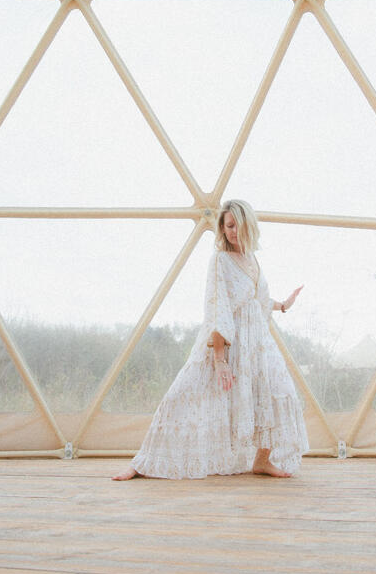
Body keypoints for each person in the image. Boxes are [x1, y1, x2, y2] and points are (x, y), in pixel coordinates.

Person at [112, 198, 308, 480]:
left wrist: (284, 305)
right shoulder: (220, 260)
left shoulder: (253, 259)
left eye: (238, 225)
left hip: (258, 345)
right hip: (226, 342)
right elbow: (219, 308)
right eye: (228, 226)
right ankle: (142, 462)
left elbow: (257, 301)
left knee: (277, 392)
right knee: (183, 394)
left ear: (249, 225)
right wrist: (219, 359)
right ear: (222, 228)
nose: (233, 231)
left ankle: (262, 461)